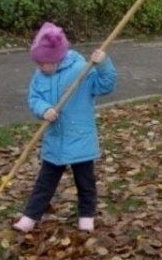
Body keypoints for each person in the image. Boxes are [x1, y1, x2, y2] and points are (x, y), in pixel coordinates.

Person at [13, 22, 117, 233]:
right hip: (55, 140)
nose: (40, 67)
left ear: (56, 59)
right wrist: (44, 109)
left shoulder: (82, 70)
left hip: (80, 138)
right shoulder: (39, 76)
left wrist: (103, 64)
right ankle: (30, 217)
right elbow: (34, 98)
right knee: (45, 183)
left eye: (43, 63)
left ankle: (86, 216)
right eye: (38, 63)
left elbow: (106, 85)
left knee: (85, 182)